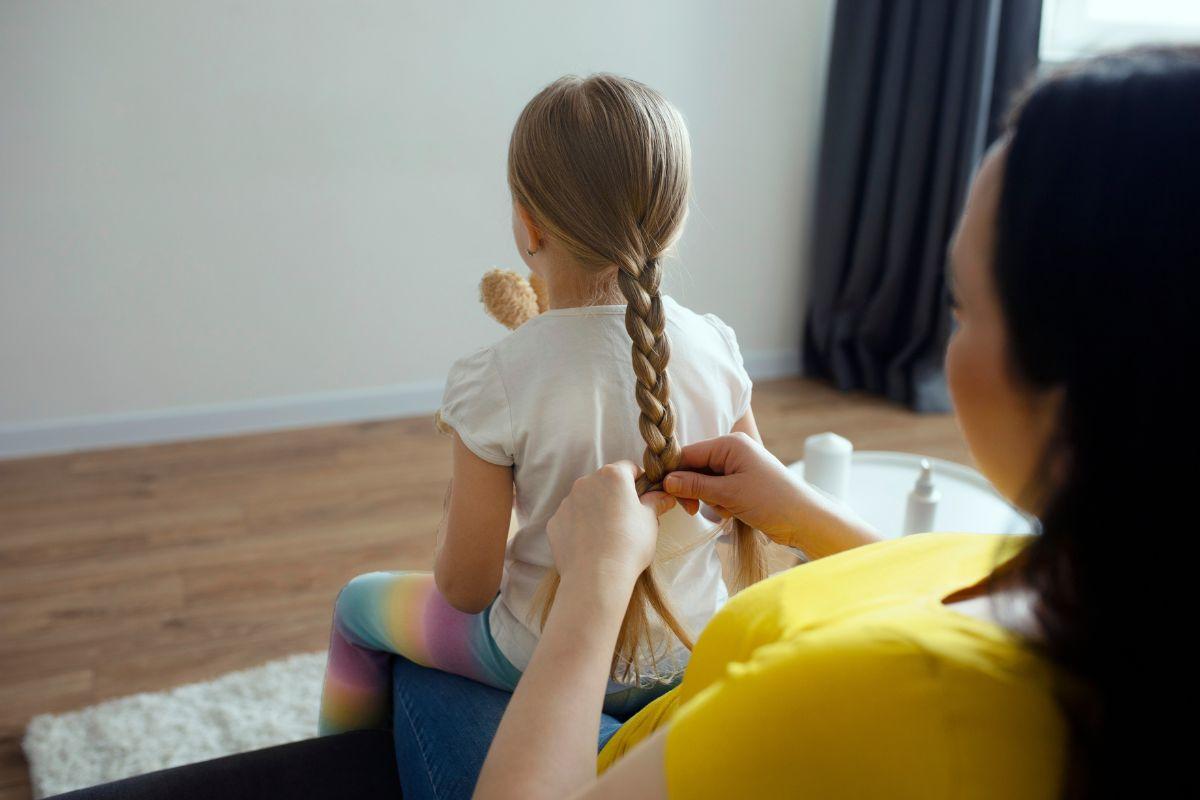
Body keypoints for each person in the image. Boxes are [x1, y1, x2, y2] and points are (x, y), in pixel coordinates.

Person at [469, 46, 1199, 799]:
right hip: (680, 675)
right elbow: (944, 583)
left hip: (607, 739)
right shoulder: (1087, 581)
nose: (949, 337)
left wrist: (595, 584)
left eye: (962, 306)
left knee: (409, 666)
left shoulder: (869, 694)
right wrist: (808, 517)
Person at [318, 72, 770, 737]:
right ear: (671, 222)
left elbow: (467, 589)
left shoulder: (497, 379)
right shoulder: (718, 345)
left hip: (538, 654)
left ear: (528, 226)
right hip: (691, 648)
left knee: (357, 605)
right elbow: (755, 503)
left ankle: (340, 770)